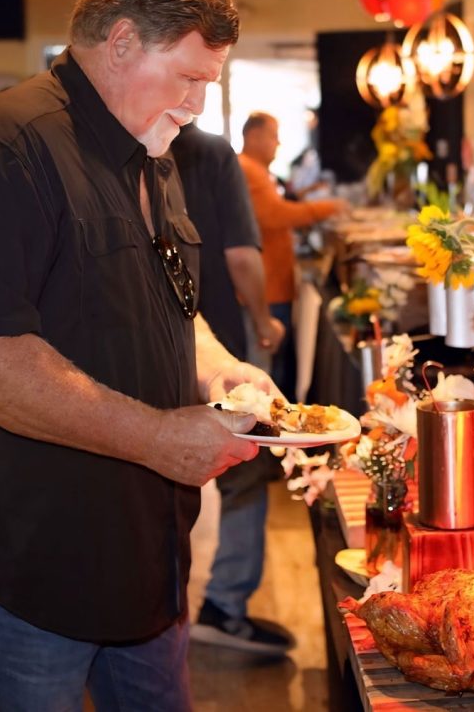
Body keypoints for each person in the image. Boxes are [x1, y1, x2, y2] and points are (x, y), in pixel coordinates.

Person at [0, 0, 279, 708]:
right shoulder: (2, 147)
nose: (197, 106)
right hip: (33, 564)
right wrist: (156, 437)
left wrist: (221, 370)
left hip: (147, 560)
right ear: (120, 44)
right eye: (189, 78)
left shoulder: (152, 154)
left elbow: (169, 308)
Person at [169, 121, 293, 654]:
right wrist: (264, 319)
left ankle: (160, 616)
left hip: (158, 350)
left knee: (161, 481)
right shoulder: (211, 153)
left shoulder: (117, 143)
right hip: (216, 342)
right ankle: (224, 605)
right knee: (244, 470)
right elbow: (242, 254)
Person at [238, 111, 347, 398]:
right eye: (273, 136)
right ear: (254, 136)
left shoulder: (257, 170)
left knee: (277, 370)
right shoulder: (247, 169)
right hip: (267, 290)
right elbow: (274, 215)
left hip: (274, 284)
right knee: (269, 378)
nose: (278, 144)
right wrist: (327, 208)